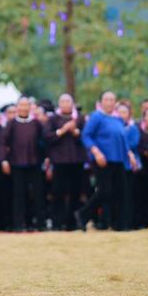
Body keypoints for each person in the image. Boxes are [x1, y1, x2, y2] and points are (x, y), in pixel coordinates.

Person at [76, 91, 136, 231]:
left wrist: (130, 154)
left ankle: (120, 224)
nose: (109, 102)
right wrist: (96, 152)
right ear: (101, 102)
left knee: (121, 192)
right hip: (103, 159)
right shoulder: (97, 116)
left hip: (119, 159)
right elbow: (86, 136)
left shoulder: (118, 119)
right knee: (105, 191)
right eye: (106, 99)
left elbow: (122, 138)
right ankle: (82, 214)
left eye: (112, 99)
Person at [0, 97, 46, 232]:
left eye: (26, 105)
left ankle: (39, 224)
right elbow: (3, 143)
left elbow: (45, 141)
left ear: (30, 107)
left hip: (34, 163)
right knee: (18, 195)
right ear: (17, 107)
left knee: (37, 194)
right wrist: (4, 160)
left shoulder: (36, 123)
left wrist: (46, 158)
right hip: (17, 164)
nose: (24, 108)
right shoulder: (11, 124)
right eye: (21, 105)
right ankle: (18, 224)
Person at [43, 94, 87, 231]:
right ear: (59, 104)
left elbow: (87, 137)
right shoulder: (52, 119)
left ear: (72, 103)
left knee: (75, 192)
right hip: (59, 161)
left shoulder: (80, 118)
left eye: (68, 101)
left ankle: (72, 223)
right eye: (63, 101)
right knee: (58, 192)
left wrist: (75, 132)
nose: (66, 104)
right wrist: (61, 131)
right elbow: (47, 137)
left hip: (76, 161)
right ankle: (57, 222)